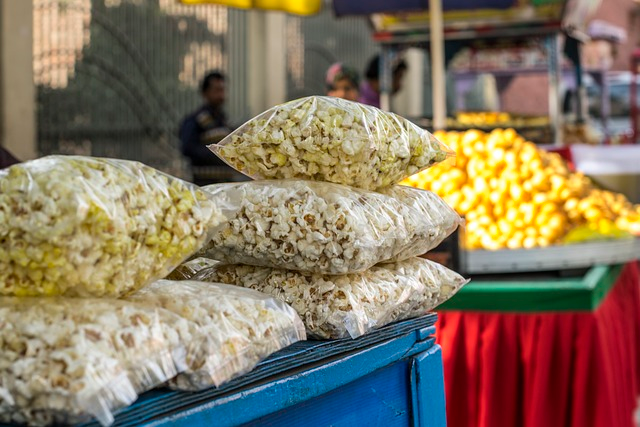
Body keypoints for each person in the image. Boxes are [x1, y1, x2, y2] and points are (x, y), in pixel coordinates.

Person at [179, 71, 242, 185]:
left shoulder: (225, 122)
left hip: (227, 184)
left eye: (222, 90)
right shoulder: (195, 120)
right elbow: (188, 149)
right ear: (205, 93)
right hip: (205, 185)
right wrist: (219, 153)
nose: (221, 95)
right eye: (216, 90)